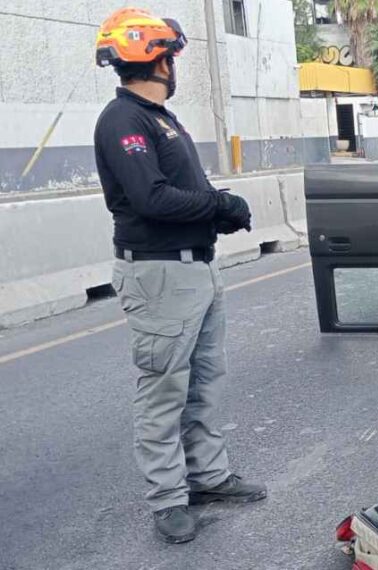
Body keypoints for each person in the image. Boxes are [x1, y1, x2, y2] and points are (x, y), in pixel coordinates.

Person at [94, 8, 266, 544]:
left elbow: (175, 194)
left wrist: (216, 214)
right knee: (164, 391)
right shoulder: (125, 120)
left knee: (203, 382)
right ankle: (168, 499)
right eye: (171, 55)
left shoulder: (161, 118)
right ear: (158, 60)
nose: (176, 65)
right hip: (159, 276)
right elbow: (150, 198)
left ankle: (207, 476)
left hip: (196, 269)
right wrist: (218, 203)